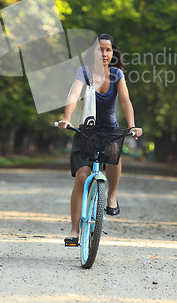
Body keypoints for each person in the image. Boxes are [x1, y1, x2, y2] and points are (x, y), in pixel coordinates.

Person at [58, 33, 143, 247]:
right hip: (86, 129)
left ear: (112, 53)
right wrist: (66, 119)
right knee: (82, 176)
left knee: (115, 156)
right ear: (92, 53)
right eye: (99, 49)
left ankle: (111, 196)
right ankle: (74, 231)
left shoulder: (117, 75)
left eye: (108, 50)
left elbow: (125, 101)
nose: (104, 53)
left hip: (109, 129)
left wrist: (132, 125)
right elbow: (72, 96)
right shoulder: (83, 72)